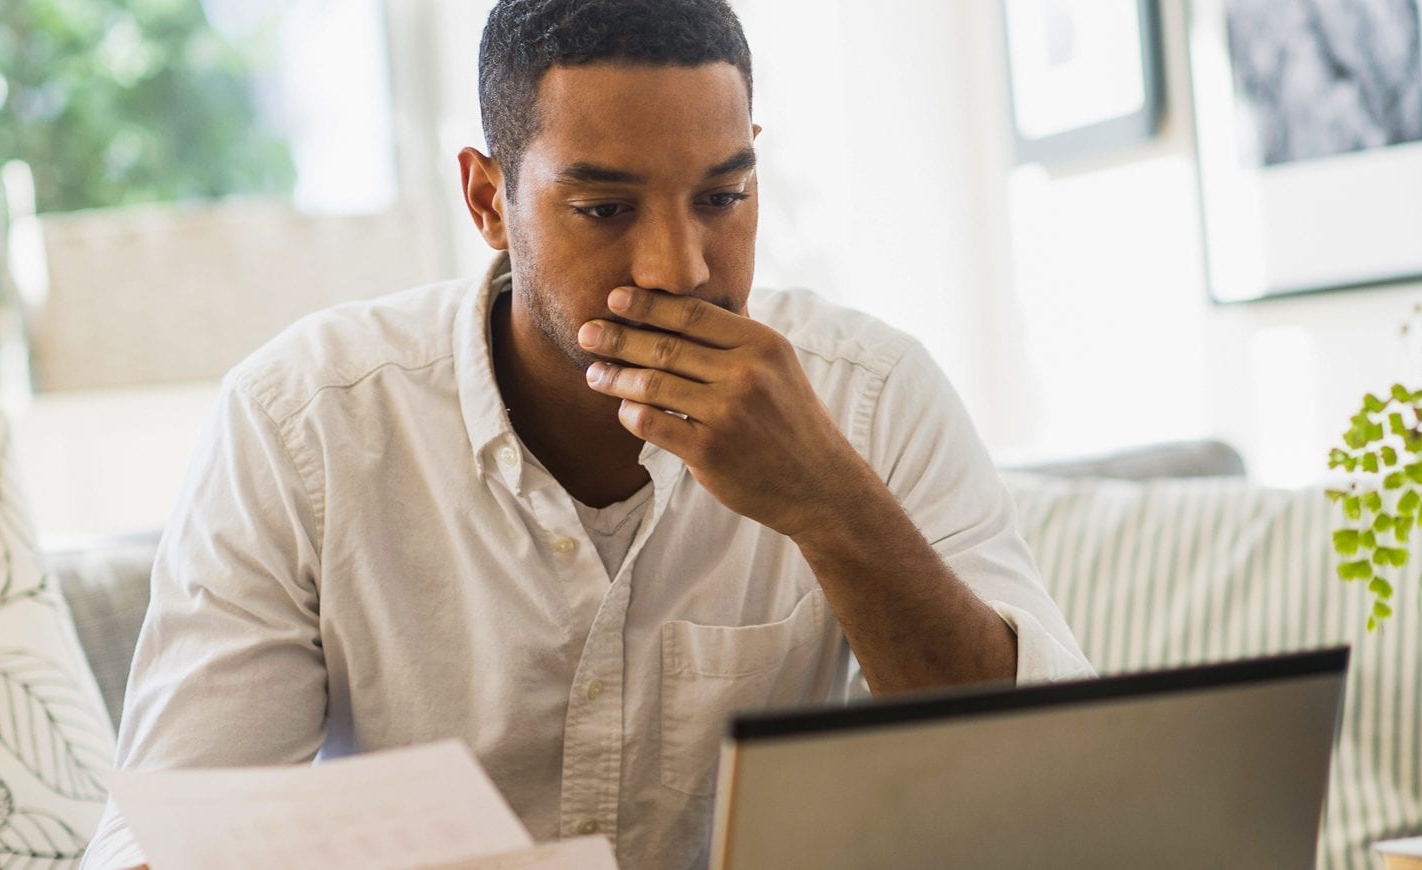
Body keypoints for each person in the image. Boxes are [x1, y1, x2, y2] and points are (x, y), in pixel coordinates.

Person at [81, 1, 1091, 867]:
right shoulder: (302, 424)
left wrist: (831, 506)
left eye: (722, 197)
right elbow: (171, 833)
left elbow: (1046, 796)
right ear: (488, 199)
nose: (678, 268)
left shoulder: (872, 399)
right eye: (604, 207)